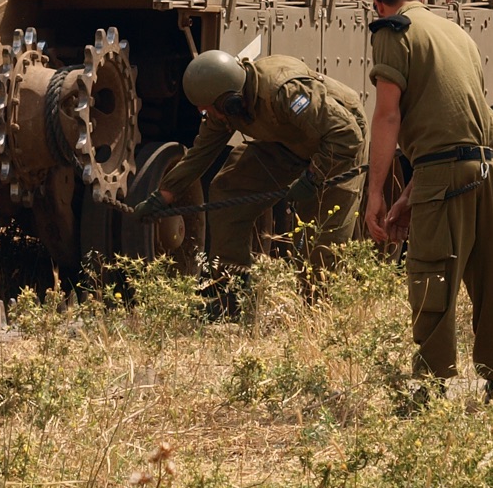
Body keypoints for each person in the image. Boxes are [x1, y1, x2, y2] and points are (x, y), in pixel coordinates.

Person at [364, 0, 493, 400]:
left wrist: (377, 193)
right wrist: (411, 196)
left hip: (447, 171)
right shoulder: (459, 36)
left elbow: (388, 114)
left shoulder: (393, 32)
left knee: (432, 272)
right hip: (489, 168)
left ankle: (430, 387)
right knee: (489, 276)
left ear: (379, 4)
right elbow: (458, 127)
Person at [137, 50, 367, 300]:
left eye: (209, 109)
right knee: (228, 188)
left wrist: (313, 176)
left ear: (230, 100)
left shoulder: (282, 91)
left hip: (337, 144)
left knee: (319, 240)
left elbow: (346, 135)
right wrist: (163, 196)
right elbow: (200, 153)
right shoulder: (224, 107)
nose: (208, 115)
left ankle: (319, 310)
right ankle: (231, 290)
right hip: (288, 140)